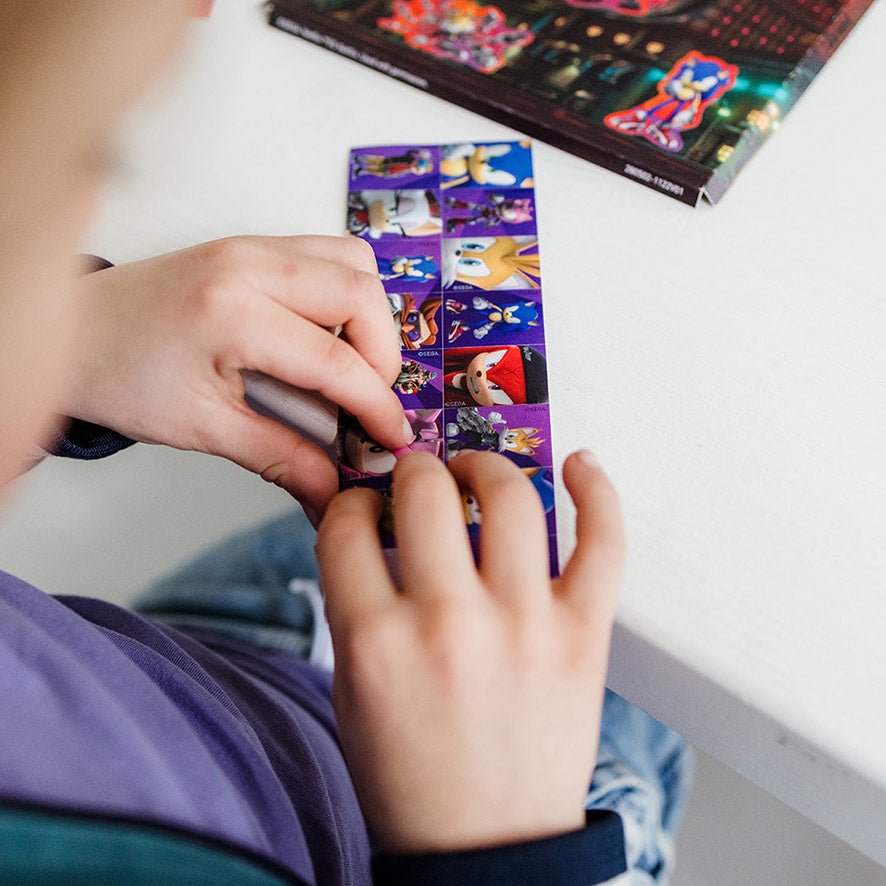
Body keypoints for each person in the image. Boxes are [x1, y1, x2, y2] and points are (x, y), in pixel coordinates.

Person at [0, 3, 690, 883]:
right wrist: (499, 847)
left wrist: (69, 338)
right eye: (92, 156)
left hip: (202, 665)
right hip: (456, 815)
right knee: (651, 623)